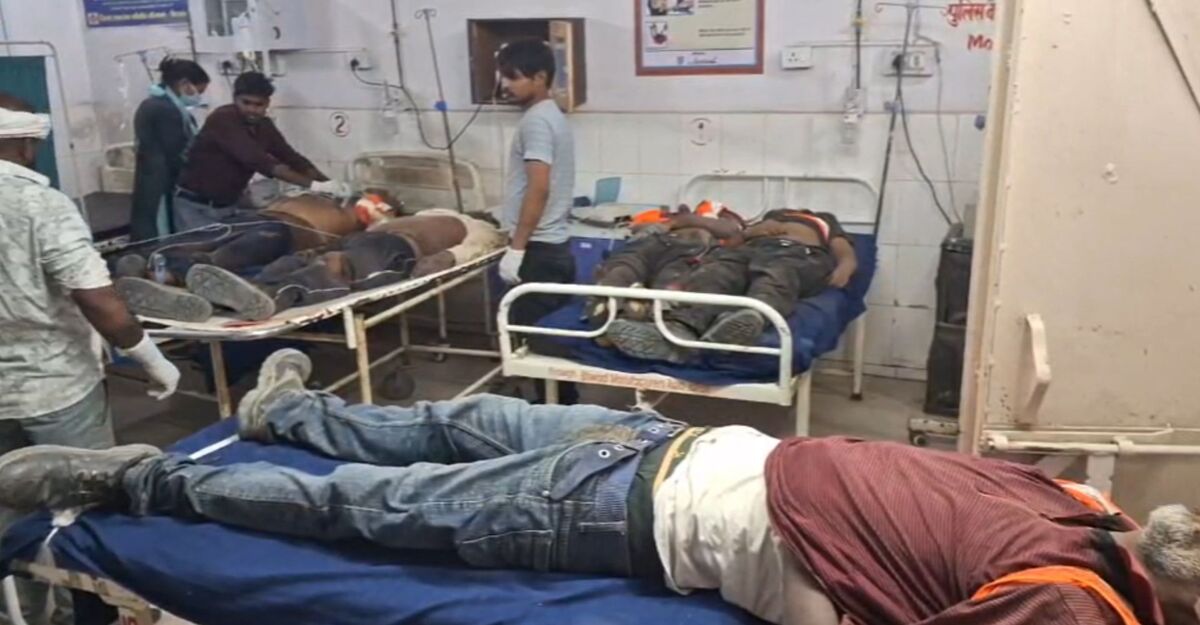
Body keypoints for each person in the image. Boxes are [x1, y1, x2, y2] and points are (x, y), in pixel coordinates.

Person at [2, 349, 1198, 625]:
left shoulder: (1074, 586)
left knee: (368, 503)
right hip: (671, 450)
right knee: (447, 423)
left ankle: (142, 481)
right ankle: (287, 416)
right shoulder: (1090, 534)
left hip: (644, 502)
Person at [0, 96, 181, 624]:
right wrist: (150, 358)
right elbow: (99, 301)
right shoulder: (41, 205)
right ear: (27, 143)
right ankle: (92, 614)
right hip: (56, 388)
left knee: (10, 511)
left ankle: (24, 612)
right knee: (86, 507)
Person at [117, 208, 505, 321]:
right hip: (369, 241)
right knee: (299, 260)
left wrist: (445, 259)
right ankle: (211, 299)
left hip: (396, 251)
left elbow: (478, 247)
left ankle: (270, 297)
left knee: (333, 268)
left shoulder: (476, 225)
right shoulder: (433, 213)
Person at [605, 208, 859, 364]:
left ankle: (749, 318)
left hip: (798, 254)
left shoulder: (823, 219)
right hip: (751, 251)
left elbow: (842, 247)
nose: (790, 211)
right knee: (715, 273)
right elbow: (734, 241)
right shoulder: (770, 216)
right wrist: (752, 233)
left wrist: (846, 265)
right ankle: (679, 332)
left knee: (776, 276)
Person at [494, 39, 579, 404]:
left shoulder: (537, 122)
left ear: (540, 77)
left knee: (537, 349)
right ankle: (560, 406)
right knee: (551, 346)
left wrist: (517, 248)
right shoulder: (551, 115)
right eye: (504, 76)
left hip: (539, 251)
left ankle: (549, 412)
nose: (506, 85)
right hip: (552, 248)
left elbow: (538, 188)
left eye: (513, 77)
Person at [173, 71, 348, 231]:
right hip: (196, 207)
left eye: (259, 105)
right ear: (235, 99)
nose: (252, 109)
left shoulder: (264, 126)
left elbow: (291, 158)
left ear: (267, 104)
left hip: (228, 206)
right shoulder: (223, 119)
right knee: (199, 252)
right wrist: (314, 186)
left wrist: (329, 184)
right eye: (246, 103)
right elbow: (259, 161)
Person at [587, 202, 745, 328]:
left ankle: (642, 313)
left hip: (686, 251)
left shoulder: (715, 221)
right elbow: (635, 229)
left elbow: (730, 231)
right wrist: (668, 222)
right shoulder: (656, 216)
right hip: (651, 244)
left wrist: (681, 221)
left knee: (669, 282)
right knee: (622, 269)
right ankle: (609, 308)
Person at [129, 57, 211, 241]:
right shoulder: (164, 109)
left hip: (153, 178)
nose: (198, 97)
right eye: (198, 91)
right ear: (184, 84)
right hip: (162, 182)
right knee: (161, 231)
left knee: (149, 225)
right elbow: (177, 153)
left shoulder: (156, 104)